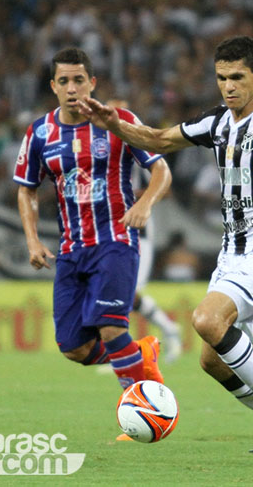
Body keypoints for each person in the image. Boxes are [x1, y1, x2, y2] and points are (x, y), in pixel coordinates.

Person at [78, 36, 253, 453]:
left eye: (237, 78)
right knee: (212, 360)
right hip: (233, 254)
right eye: (221, 78)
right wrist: (115, 124)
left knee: (208, 321)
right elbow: (157, 140)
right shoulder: (216, 123)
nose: (228, 87)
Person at [13, 48, 172, 401]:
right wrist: (32, 240)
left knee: (111, 327)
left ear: (93, 83)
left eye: (79, 80)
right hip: (71, 250)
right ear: (53, 86)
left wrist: (145, 203)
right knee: (74, 348)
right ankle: (140, 357)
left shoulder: (119, 120)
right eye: (65, 81)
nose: (72, 88)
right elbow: (26, 190)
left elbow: (161, 169)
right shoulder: (40, 133)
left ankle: (144, 407)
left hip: (115, 240)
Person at [108, 99, 183, 364]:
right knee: (119, 293)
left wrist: (133, 196)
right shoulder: (102, 155)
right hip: (109, 232)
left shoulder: (137, 151)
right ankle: (127, 350)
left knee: (127, 294)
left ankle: (129, 351)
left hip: (138, 233)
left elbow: (165, 183)